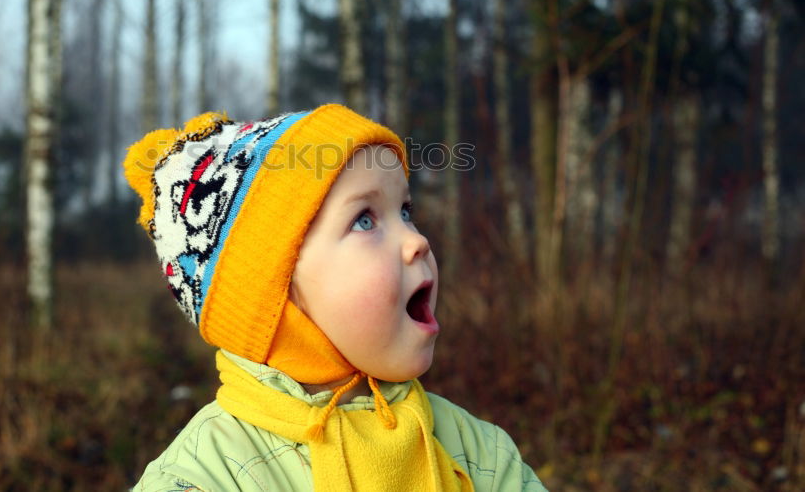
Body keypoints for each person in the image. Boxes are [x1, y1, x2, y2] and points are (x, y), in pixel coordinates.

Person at [122, 104, 547, 492]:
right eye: (364, 220)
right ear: (274, 292)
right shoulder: (205, 477)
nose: (416, 241)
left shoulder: (478, 456)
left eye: (405, 211)